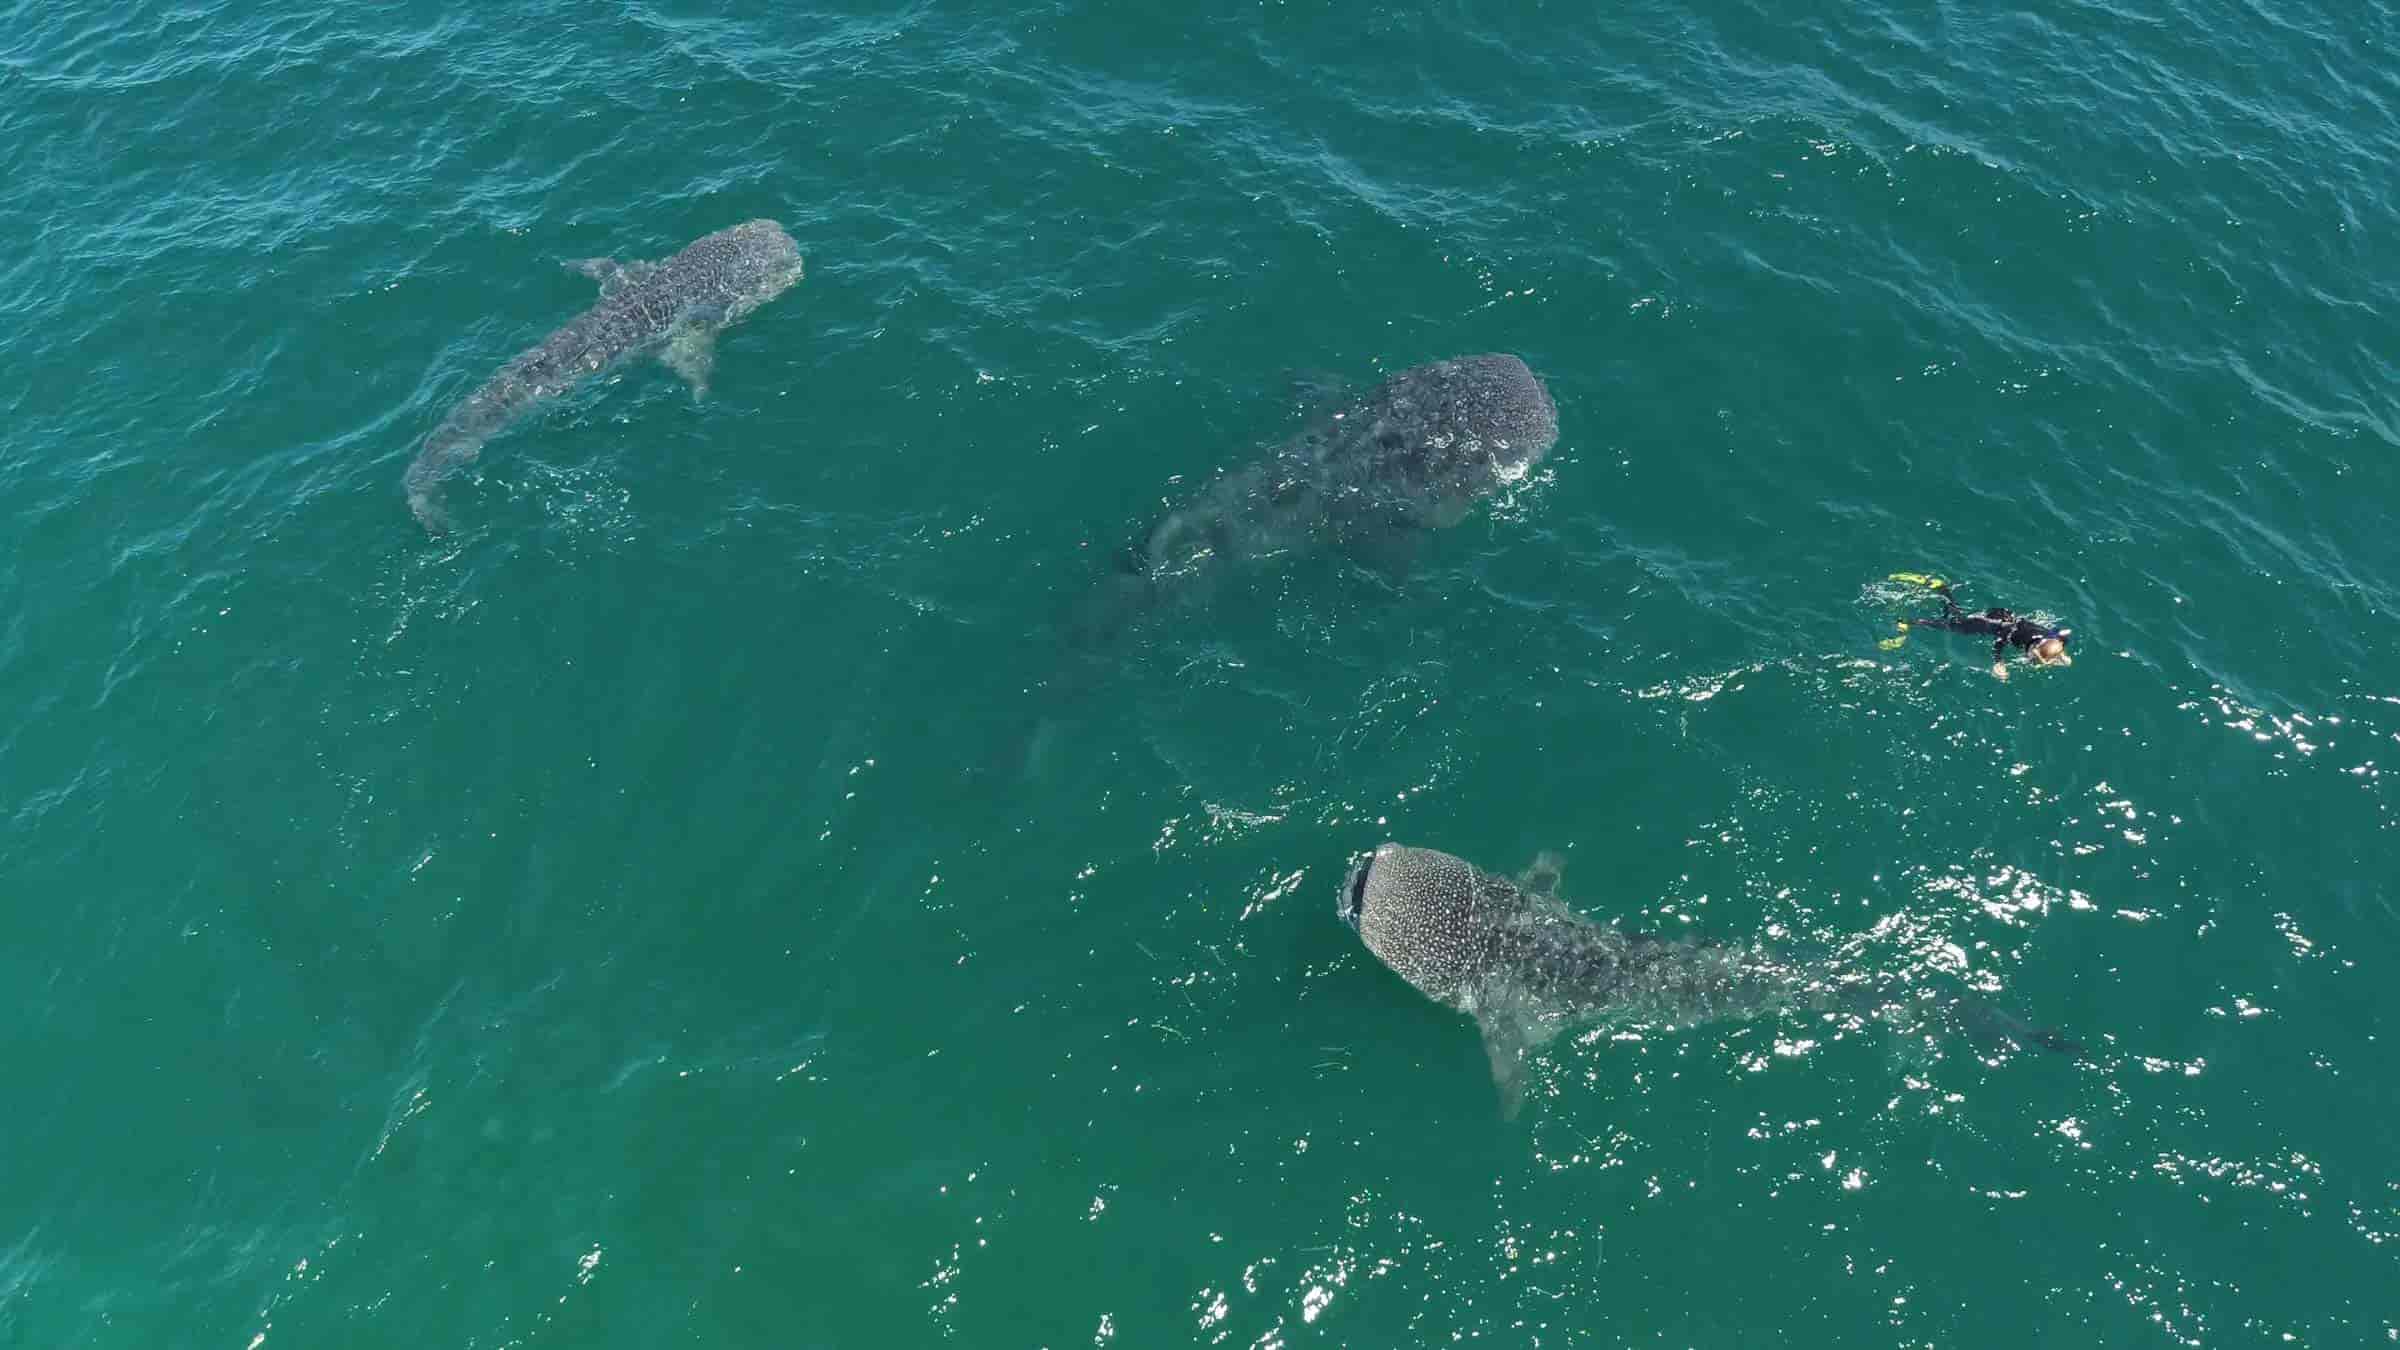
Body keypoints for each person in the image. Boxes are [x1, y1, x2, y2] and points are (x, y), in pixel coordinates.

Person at [1880, 573, 2072, 681]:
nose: (2031, 658)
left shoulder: (2055, 639)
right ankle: (1913, 617)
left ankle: (1941, 592)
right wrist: (1998, 662)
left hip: (2006, 615)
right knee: (1953, 624)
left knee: (1954, 619)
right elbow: (2000, 641)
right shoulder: (2021, 639)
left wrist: (2061, 654)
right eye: (2033, 656)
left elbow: (2062, 633)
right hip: (1993, 622)